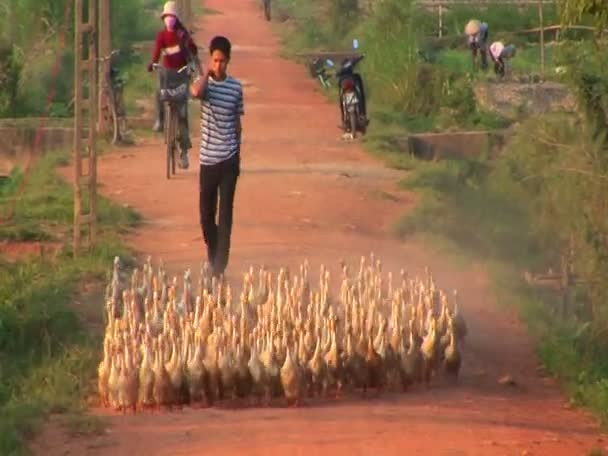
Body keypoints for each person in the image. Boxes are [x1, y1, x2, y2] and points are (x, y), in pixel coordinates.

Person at [190, 36, 243, 279]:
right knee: (205, 216)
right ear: (210, 60)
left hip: (229, 159)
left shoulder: (235, 88)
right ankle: (213, 254)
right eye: (215, 60)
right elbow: (196, 92)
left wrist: (238, 154)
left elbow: (237, 123)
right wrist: (206, 74)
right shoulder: (205, 85)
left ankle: (219, 266)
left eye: (222, 61)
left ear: (228, 61)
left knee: (226, 216)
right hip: (208, 160)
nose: (218, 65)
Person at [148, 1, 201, 169]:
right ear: (164, 19)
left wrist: (188, 43)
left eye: (171, 17)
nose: (169, 20)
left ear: (176, 19)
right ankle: (160, 120)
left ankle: (184, 152)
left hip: (181, 75)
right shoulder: (161, 36)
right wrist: (153, 63)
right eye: (166, 17)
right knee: (158, 92)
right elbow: (156, 52)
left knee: (183, 114)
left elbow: (193, 50)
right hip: (167, 73)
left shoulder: (182, 34)